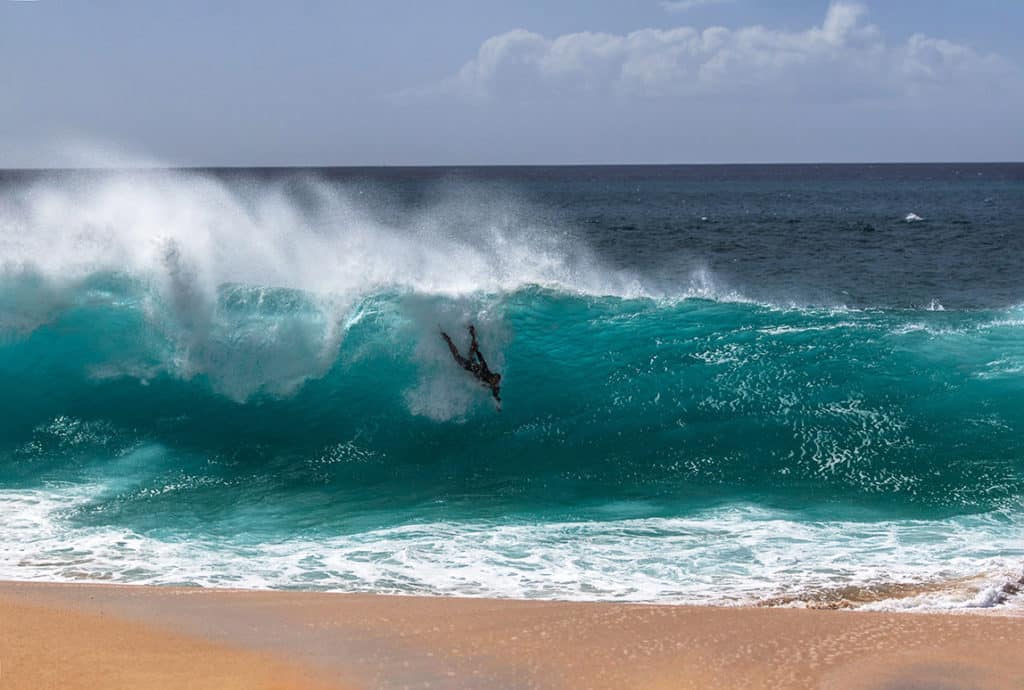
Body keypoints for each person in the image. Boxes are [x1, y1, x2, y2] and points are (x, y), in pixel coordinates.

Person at [441, 324, 502, 405]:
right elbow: (482, 360)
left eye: (495, 382)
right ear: (493, 376)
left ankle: (472, 332)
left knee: (471, 351)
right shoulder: (486, 371)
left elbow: (495, 394)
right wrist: (477, 351)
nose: (494, 382)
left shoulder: (494, 387)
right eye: (494, 380)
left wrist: (497, 402)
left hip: (473, 364)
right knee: (457, 356)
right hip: (469, 366)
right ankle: (448, 339)